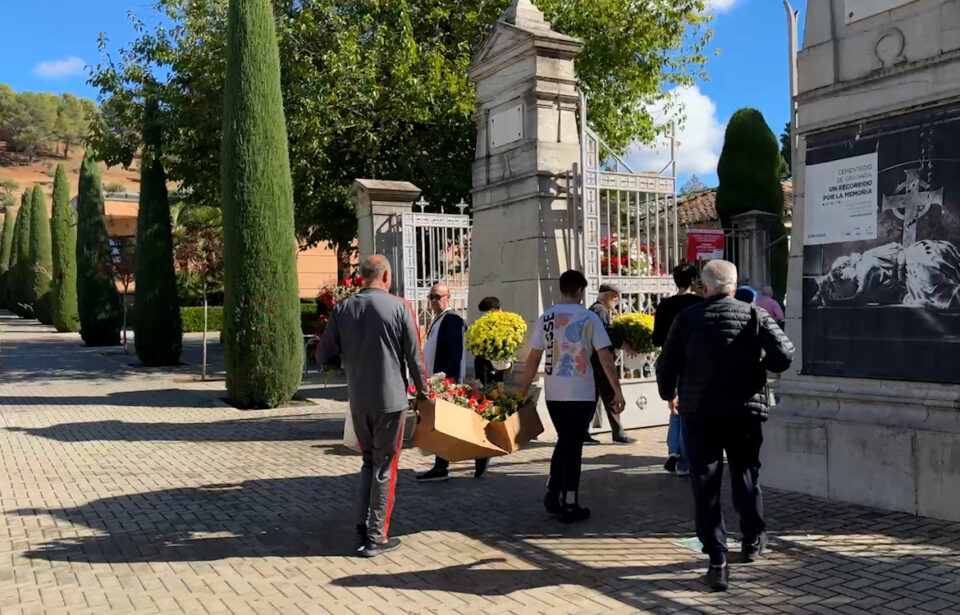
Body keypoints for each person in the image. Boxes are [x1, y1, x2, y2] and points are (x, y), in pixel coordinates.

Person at [656, 259, 794, 592]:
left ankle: (717, 561)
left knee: (705, 483)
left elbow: (667, 364)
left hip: (699, 411)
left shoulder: (686, 319)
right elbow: (785, 355)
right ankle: (752, 539)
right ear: (734, 286)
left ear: (705, 287)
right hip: (744, 411)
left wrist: (668, 394)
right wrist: (761, 363)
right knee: (746, 475)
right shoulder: (754, 314)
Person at [317, 255, 428, 558]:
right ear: (387, 276)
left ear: (362, 276)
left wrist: (349, 364)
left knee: (369, 461)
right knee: (385, 467)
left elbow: (323, 356)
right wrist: (425, 392)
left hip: (359, 400)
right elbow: (414, 358)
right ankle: (377, 536)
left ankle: (362, 525)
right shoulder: (399, 307)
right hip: (390, 402)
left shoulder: (342, 309)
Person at [519, 270, 626, 523]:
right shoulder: (589, 318)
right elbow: (605, 357)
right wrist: (617, 390)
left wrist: (522, 391)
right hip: (580, 392)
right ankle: (569, 501)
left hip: (554, 392)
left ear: (561, 289)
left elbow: (533, 357)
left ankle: (554, 492)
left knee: (565, 441)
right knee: (572, 446)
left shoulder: (546, 317)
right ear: (579, 291)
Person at [416, 284, 490, 481]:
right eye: (431, 296)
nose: (434, 300)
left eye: (438, 296)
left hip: (446, 382)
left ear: (448, 297)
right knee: (446, 426)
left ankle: (477, 453)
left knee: (452, 425)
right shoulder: (440, 320)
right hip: (438, 381)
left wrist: (450, 382)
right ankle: (442, 465)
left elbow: (456, 354)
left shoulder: (451, 320)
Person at [652, 263, 703, 477]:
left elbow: (656, 338)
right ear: (693, 280)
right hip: (694, 362)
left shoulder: (665, 305)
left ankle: (674, 450)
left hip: (670, 360)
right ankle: (683, 459)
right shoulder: (700, 303)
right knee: (689, 411)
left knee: (674, 407)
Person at [586, 283, 634, 445]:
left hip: (594, 359)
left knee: (593, 397)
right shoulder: (599, 311)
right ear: (607, 296)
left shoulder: (597, 310)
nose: (617, 300)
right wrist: (623, 343)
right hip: (599, 360)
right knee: (610, 395)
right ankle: (618, 432)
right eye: (615, 297)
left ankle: (583, 433)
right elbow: (606, 333)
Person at [474, 296, 506, 386]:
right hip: (484, 362)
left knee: (496, 391)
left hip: (497, 363)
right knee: (484, 391)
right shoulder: (481, 325)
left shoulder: (505, 322)